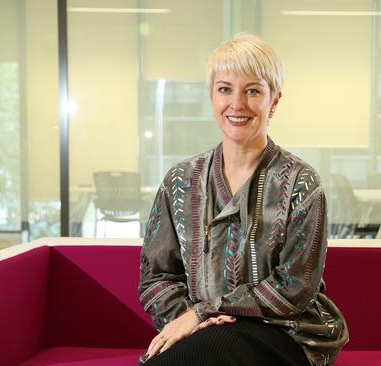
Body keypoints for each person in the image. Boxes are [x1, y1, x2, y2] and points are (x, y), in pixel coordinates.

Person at [138, 32, 348, 366]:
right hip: (201, 335)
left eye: (252, 90)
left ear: (274, 101)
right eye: (225, 89)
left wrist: (204, 312)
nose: (237, 103)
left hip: (285, 333)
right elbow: (156, 277)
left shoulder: (302, 183)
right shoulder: (179, 181)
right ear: (211, 97)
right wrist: (191, 322)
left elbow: (294, 288)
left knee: (208, 352)